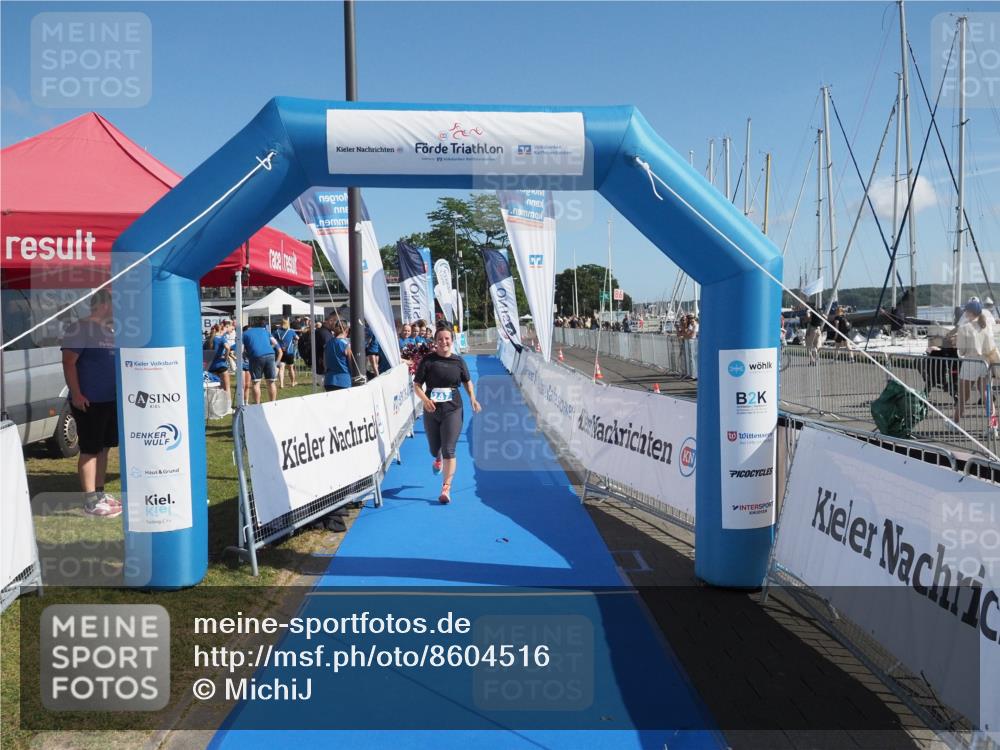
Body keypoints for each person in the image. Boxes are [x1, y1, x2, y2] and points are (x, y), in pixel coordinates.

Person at [61, 289, 121, 518]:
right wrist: (76, 394)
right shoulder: (80, 328)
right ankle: (89, 501)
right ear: (104, 305)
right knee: (90, 450)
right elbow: (68, 363)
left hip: (109, 399)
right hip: (88, 401)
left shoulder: (110, 331)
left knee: (104, 448)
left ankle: (99, 493)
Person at [413, 327, 481, 504]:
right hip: (432, 409)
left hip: (453, 409)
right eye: (440, 339)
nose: (444, 342)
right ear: (435, 341)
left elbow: (467, 382)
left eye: (447, 338)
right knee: (435, 448)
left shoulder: (458, 361)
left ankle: (446, 487)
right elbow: (417, 385)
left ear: (452, 340)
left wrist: (473, 399)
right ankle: (438, 457)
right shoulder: (428, 361)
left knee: (449, 448)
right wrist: (425, 400)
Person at [956, 298, 999, 425]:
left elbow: (962, 351)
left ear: (970, 312)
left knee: (963, 396)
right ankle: (993, 426)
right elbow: (990, 347)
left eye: (966, 312)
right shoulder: (986, 327)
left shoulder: (964, 328)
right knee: (987, 395)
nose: (965, 314)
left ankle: (955, 423)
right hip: (985, 363)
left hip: (970, 362)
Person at [242, 317, 280, 404]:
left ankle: (257, 405)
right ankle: (273, 403)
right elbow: (275, 343)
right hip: (270, 354)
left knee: (256, 383)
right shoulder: (265, 331)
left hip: (256, 356)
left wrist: (246, 355)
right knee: (271, 382)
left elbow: (241, 350)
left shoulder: (245, 334)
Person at [323, 321, 352, 391]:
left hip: (329, 381)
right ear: (346, 330)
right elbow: (351, 365)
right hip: (344, 381)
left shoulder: (327, 344)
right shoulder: (346, 345)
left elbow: (325, 364)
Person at [208, 320, 234, 393]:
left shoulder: (208, 340)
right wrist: (225, 358)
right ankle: (228, 404)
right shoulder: (221, 338)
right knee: (226, 389)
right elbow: (228, 347)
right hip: (220, 365)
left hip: (211, 367)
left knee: (215, 390)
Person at [276, 318, 300, 389]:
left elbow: (272, 339)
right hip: (289, 352)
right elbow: (297, 338)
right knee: (291, 368)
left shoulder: (277, 331)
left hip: (281, 352)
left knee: (281, 368)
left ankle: (281, 384)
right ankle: (293, 382)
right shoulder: (291, 331)